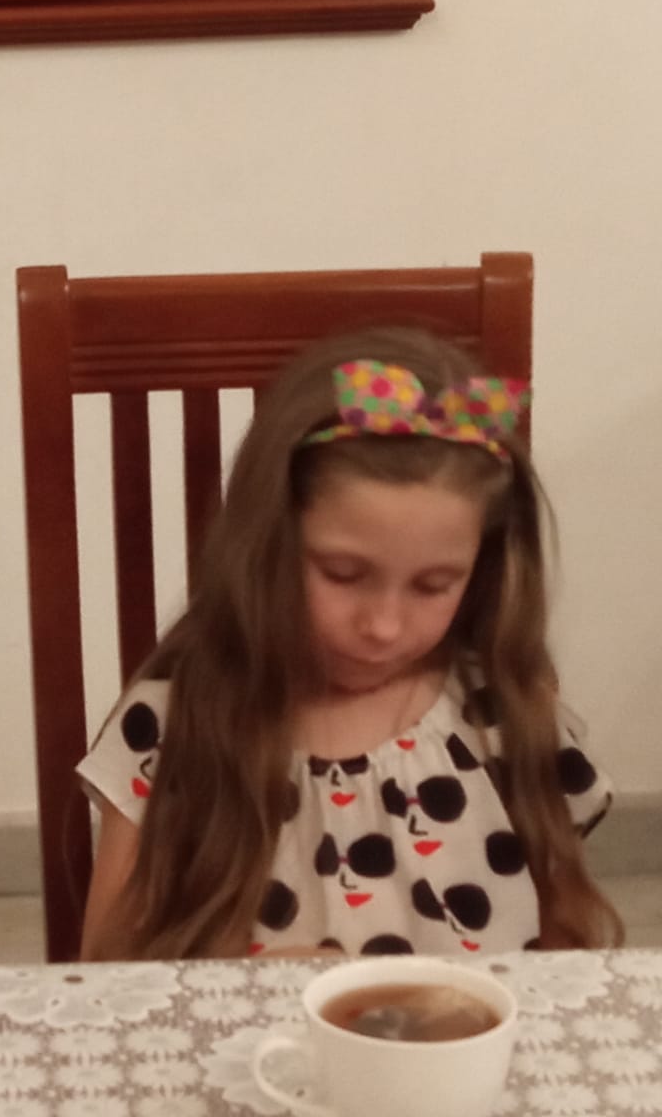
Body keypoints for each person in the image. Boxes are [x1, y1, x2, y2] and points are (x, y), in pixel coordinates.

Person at [77, 325, 621, 960]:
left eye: (433, 585)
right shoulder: (176, 722)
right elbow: (108, 969)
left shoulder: (507, 713)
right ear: (266, 544)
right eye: (342, 574)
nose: (383, 625)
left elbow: (566, 960)